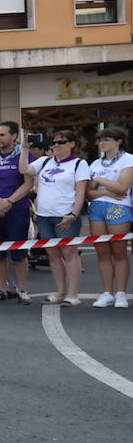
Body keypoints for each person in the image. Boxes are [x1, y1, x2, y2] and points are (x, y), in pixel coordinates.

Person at [22, 129, 89, 306]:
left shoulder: (78, 163)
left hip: (65, 214)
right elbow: (24, 169)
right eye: (54, 142)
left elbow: (81, 191)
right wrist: (24, 149)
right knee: (52, 253)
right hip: (44, 215)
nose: (56, 145)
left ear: (72, 144)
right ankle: (61, 290)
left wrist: (74, 214)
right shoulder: (45, 161)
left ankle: (73, 293)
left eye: (61, 142)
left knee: (69, 252)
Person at [0, 121, 34, 304]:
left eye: (2, 135)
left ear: (14, 137)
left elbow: (28, 183)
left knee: (18, 252)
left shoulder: (25, 155)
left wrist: (9, 202)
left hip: (17, 208)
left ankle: (22, 290)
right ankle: (1, 289)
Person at [85, 126, 132, 308]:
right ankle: (107, 292)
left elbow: (122, 188)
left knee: (119, 252)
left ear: (118, 141)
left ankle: (121, 293)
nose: (101, 143)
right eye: (100, 140)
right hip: (97, 208)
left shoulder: (128, 160)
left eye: (106, 139)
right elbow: (89, 192)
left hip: (119, 207)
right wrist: (106, 191)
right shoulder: (95, 164)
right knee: (102, 252)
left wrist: (100, 181)